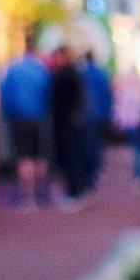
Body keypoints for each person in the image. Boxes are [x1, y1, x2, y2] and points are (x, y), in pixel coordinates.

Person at [0, 45, 52, 207]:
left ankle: (26, 195)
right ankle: (41, 193)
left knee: (24, 157)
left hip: (19, 118)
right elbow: (49, 93)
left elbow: (5, 95)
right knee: (40, 156)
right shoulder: (41, 70)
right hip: (40, 117)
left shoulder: (13, 70)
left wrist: (8, 115)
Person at [47, 45, 91, 209]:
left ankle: (74, 192)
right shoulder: (73, 73)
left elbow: (57, 98)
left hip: (68, 123)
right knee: (74, 157)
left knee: (72, 157)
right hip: (72, 121)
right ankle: (76, 189)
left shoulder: (66, 74)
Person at [81, 54, 113, 192]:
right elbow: (107, 94)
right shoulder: (101, 73)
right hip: (99, 114)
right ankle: (94, 170)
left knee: (89, 145)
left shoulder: (83, 73)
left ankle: (90, 172)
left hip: (88, 115)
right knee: (97, 144)